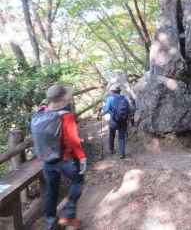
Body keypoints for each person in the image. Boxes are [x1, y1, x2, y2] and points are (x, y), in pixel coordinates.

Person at [31, 84, 87, 230]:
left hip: (47, 161)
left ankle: (51, 222)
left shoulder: (40, 112)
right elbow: (74, 141)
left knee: (51, 190)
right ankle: (68, 216)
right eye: (67, 94)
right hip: (65, 160)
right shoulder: (66, 116)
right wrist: (82, 158)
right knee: (78, 181)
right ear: (63, 98)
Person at [100, 84, 130, 159]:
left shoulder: (110, 99)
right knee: (121, 137)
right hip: (123, 121)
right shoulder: (125, 98)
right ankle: (122, 154)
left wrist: (100, 114)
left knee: (112, 135)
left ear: (112, 91)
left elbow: (106, 110)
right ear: (119, 91)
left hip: (113, 121)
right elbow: (129, 109)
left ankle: (111, 150)